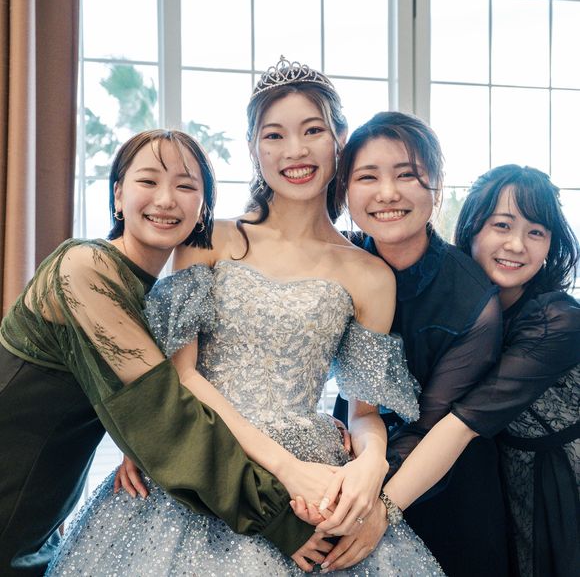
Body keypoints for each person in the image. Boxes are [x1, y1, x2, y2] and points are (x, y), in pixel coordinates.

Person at [46, 58, 444, 575]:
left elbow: (363, 413)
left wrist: (371, 463)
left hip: (317, 472)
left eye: (312, 131)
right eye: (274, 135)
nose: (295, 151)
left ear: (339, 139)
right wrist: (287, 470)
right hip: (208, 454)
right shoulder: (209, 239)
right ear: (254, 148)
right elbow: (182, 375)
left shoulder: (370, 275)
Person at [0, 129, 322, 577]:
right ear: (118, 194)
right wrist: (277, 515)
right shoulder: (84, 267)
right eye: (148, 181)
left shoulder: (163, 297)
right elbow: (163, 412)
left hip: (41, 514)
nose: (166, 200)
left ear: (203, 207)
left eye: (186, 186)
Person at [330, 112, 509, 576]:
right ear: (345, 190)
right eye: (367, 177)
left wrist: (356, 496)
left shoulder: (472, 299)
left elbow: (426, 427)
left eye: (407, 174)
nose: (387, 193)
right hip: (348, 465)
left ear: (436, 186)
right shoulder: (336, 263)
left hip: (446, 490)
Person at [380, 165, 579, 577]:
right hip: (500, 482)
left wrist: (376, 511)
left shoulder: (557, 320)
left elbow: (459, 423)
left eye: (536, 232)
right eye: (501, 225)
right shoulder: (455, 304)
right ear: (472, 226)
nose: (516, 245)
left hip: (562, 483)